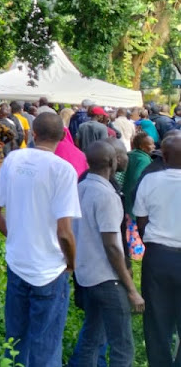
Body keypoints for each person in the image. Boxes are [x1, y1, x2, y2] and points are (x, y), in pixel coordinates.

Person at [0, 112, 81, 367]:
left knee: (15, 338)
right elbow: (64, 231)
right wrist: (71, 262)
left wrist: (14, 234)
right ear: (62, 137)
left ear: (32, 134)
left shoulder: (14, 159)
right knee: (46, 344)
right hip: (50, 270)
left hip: (17, 262)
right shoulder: (63, 170)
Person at [70, 141, 144, 367]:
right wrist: (131, 289)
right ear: (112, 162)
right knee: (122, 344)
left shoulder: (80, 187)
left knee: (92, 337)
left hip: (86, 275)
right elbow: (111, 245)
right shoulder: (107, 195)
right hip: (107, 279)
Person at [134, 134, 181, 367]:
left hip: (158, 256)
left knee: (157, 320)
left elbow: (141, 221)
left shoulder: (150, 181)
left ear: (163, 155)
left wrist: (151, 243)